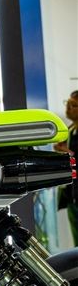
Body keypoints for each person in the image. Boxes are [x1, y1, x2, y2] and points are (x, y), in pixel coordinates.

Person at [55, 89, 78, 245]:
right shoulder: (69, 131)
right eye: (67, 104)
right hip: (71, 194)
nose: (68, 109)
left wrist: (67, 152)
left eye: (73, 105)